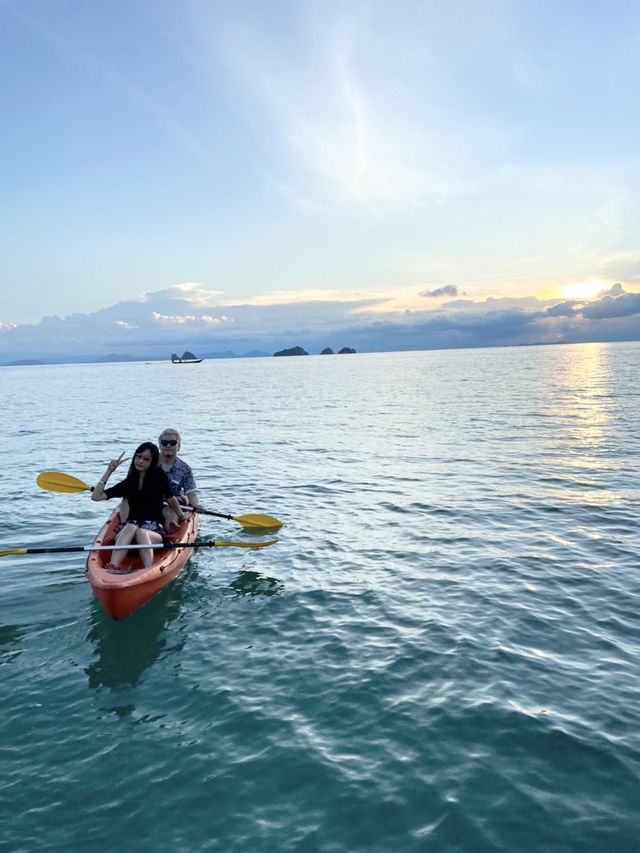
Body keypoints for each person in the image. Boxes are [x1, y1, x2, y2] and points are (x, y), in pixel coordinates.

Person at [92, 442, 186, 569]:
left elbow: (171, 499)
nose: (140, 461)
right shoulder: (128, 482)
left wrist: (181, 515)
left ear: (152, 462)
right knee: (131, 527)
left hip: (152, 533)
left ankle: (149, 569)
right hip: (126, 535)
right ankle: (114, 565)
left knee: (142, 532)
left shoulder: (159, 477)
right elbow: (96, 496)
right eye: (138, 456)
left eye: (146, 459)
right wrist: (109, 471)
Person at [156, 428, 202, 529]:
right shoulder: (149, 463)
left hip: (173, 504)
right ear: (160, 446)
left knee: (171, 511)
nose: (168, 446)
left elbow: (191, 493)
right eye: (164, 443)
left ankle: (172, 528)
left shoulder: (185, 469)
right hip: (150, 500)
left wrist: (197, 505)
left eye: (172, 443)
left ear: (178, 447)